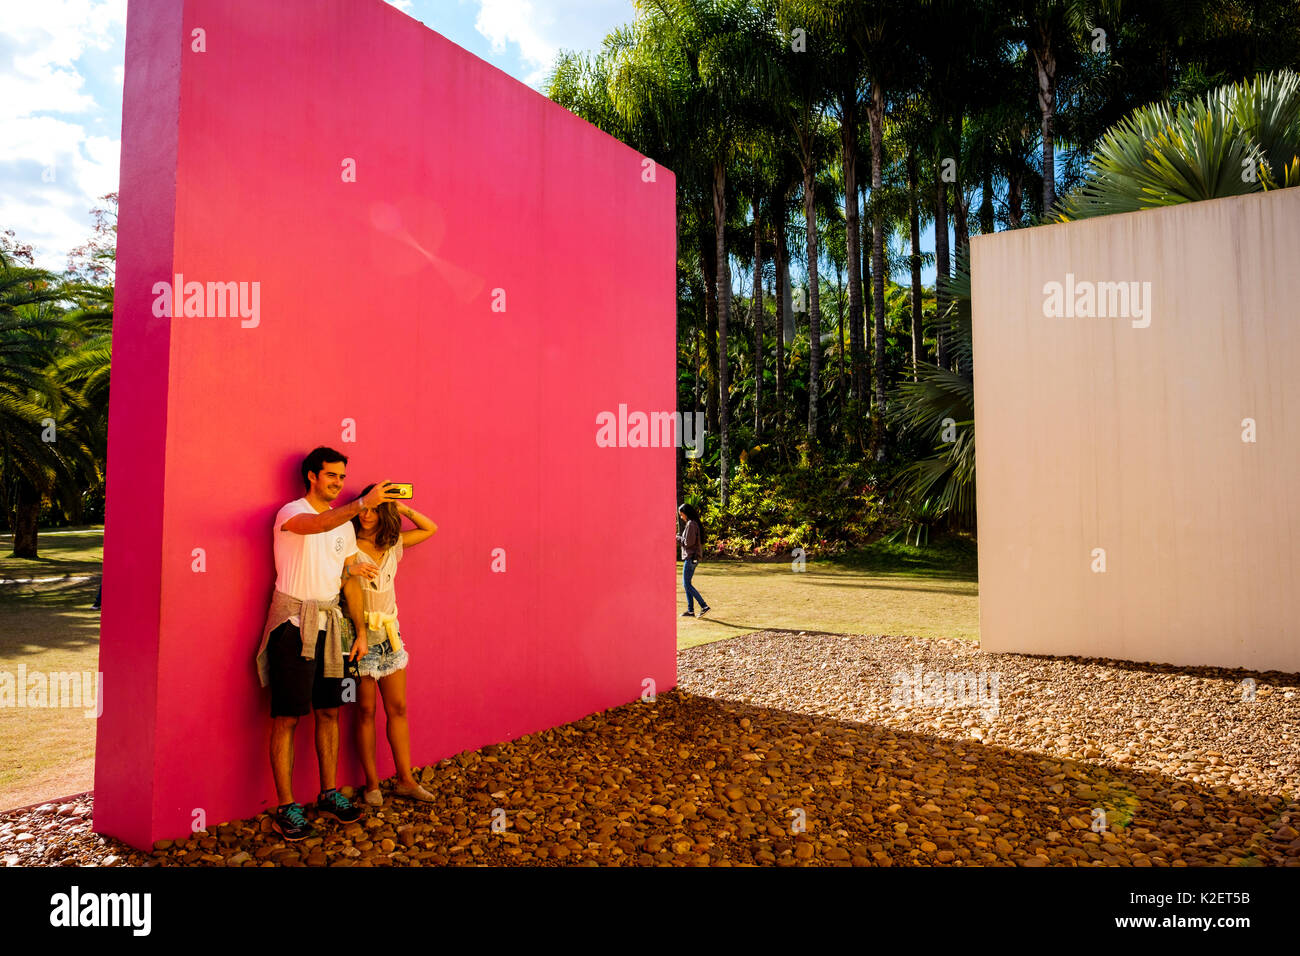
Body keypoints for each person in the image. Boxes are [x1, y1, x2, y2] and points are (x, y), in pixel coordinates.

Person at [253, 446, 401, 841]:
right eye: (331, 475)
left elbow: (347, 573)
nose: (337, 482)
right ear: (312, 476)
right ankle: (287, 807)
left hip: (331, 629)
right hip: (292, 626)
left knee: (330, 713)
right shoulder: (291, 512)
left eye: (341, 476)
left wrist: (362, 630)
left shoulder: (343, 525)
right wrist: (361, 504)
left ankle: (329, 793)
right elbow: (315, 527)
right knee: (287, 719)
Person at [344, 485, 439, 805]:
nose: (367, 515)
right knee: (366, 710)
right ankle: (371, 784)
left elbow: (431, 528)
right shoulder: (346, 544)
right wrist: (350, 569)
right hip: (360, 634)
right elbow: (334, 580)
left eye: (374, 509)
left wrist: (402, 508)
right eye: (364, 509)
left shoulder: (392, 542)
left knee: (398, 708)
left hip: (390, 633)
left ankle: (405, 779)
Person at [677, 502, 710, 618]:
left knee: (686, 584)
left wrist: (677, 538)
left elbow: (688, 543)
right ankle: (690, 610)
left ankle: (704, 606)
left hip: (691, 558)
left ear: (686, 513)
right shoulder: (693, 523)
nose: (681, 517)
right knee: (687, 584)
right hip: (692, 558)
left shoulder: (691, 524)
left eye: (681, 515)